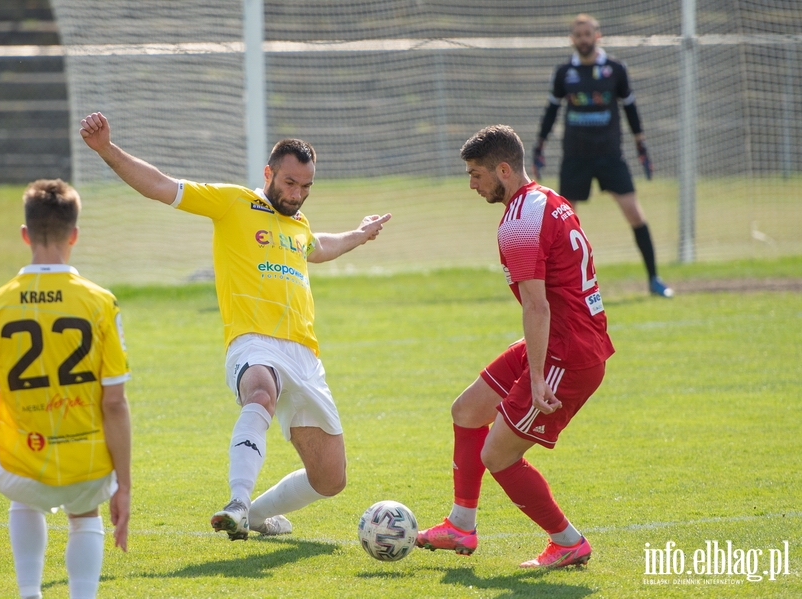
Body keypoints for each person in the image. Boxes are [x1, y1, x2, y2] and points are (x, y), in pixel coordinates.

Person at [79, 112, 391, 541]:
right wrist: (107, 150)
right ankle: (237, 501)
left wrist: (360, 233)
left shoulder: (298, 227)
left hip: (305, 356)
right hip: (253, 344)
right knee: (259, 392)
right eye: (289, 183)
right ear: (268, 173)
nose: (297, 194)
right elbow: (160, 186)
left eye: (305, 187)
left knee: (330, 479)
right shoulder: (233, 202)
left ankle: (255, 516)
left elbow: (319, 248)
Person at [416, 125, 615, 568]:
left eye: (476, 174)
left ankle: (567, 542)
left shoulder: (520, 221)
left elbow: (537, 305)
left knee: (498, 455)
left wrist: (539, 373)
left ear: (503, 169)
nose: (472, 184)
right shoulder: (548, 199)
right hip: (563, 339)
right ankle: (461, 525)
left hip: (567, 353)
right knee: (467, 410)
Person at [0, 179, 132, 599]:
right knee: (84, 514)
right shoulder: (100, 302)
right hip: (87, 465)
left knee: (23, 499)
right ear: (74, 235)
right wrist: (125, 486)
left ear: (25, 234)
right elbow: (114, 402)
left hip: (23, 464)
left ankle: (29, 593)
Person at [532, 13, 673, 298]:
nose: (583, 39)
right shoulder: (564, 73)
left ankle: (654, 279)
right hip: (575, 157)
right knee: (562, 223)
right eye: (578, 34)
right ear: (572, 39)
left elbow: (630, 108)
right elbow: (551, 111)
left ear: (598, 36)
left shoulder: (615, 69)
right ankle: (560, 288)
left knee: (634, 213)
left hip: (610, 155)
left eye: (588, 34)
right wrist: (540, 145)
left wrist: (640, 145)